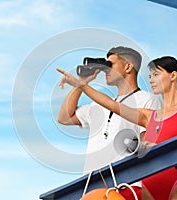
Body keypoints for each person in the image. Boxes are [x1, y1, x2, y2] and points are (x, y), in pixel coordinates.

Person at [57, 56, 177, 200]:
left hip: (175, 179)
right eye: (150, 75)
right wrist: (81, 84)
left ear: (173, 75)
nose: (151, 80)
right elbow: (112, 105)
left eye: (156, 74)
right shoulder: (148, 116)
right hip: (148, 182)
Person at [57, 47, 162, 199]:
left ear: (128, 67)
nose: (105, 69)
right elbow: (64, 118)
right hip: (92, 190)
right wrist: (82, 82)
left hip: (127, 186)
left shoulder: (148, 99)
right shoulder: (99, 104)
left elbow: (149, 141)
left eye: (110, 64)